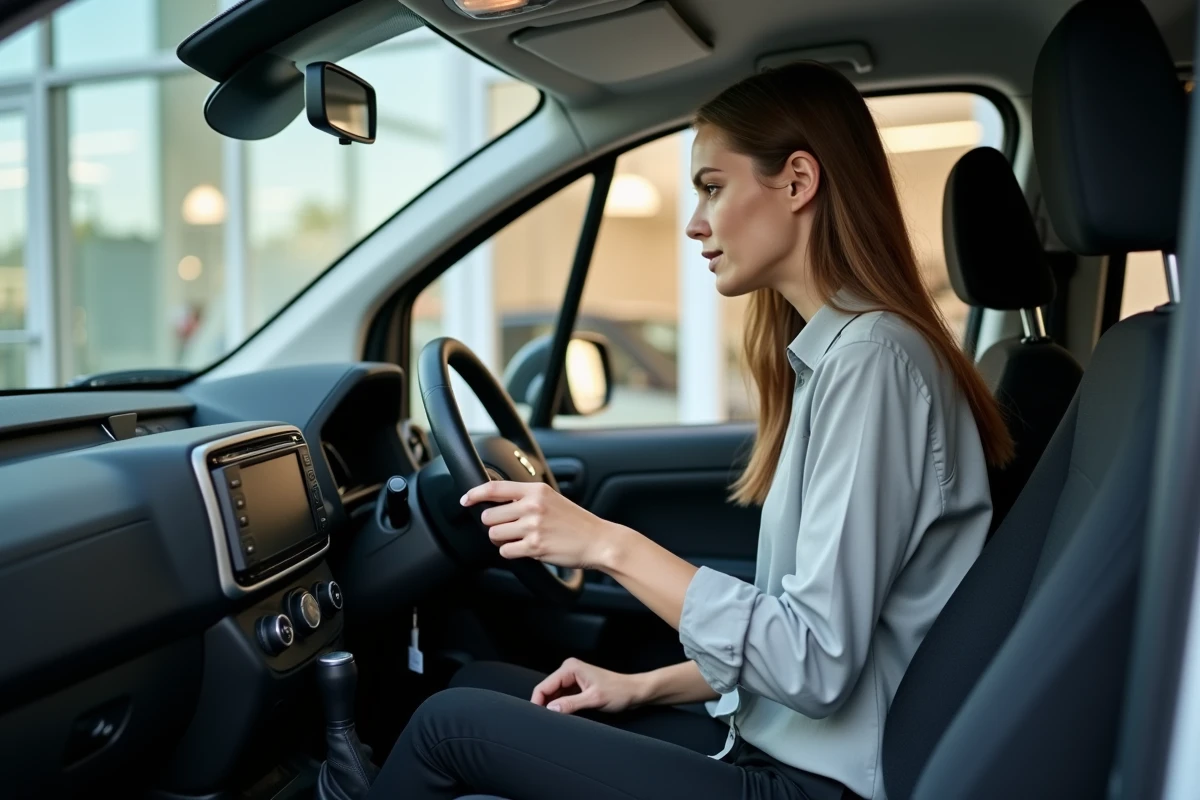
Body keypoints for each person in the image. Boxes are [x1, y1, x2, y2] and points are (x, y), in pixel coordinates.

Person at [369, 60, 1013, 800]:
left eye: (712, 186)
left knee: (450, 726)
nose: (694, 221)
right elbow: (806, 630)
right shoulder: (846, 356)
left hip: (818, 781)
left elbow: (817, 660)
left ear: (798, 182)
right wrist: (641, 687)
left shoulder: (875, 363)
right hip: (785, 742)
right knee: (486, 682)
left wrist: (605, 543)